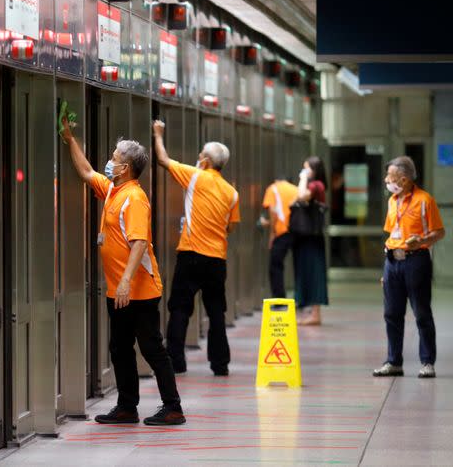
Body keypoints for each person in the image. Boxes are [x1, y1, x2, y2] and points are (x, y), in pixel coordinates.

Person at [60, 115, 184, 426]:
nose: (109, 162)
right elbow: (87, 172)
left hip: (138, 290)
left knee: (151, 348)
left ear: (125, 167)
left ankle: (173, 407)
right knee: (120, 348)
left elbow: (140, 242)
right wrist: (69, 138)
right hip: (118, 290)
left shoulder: (135, 198)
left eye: (114, 159)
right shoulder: (115, 190)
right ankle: (128, 406)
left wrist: (127, 280)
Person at [152, 120, 240, 376]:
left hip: (190, 255)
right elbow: (230, 227)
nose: (198, 157)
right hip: (216, 259)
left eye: (200, 154)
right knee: (216, 311)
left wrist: (158, 134)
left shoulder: (194, 176)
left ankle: (176, 362)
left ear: (205, 160)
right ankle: (220, 364)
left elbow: (163, 159)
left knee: (180, 308)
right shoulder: (231, 192)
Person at [373, 156, 444, 379]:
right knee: (391, 313)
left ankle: (427, 362)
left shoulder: (425, 201)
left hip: (416, 261)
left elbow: (439, 232)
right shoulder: (392, 201)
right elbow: (391, 233)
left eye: (390, 177)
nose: (386, 180)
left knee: (421, 312)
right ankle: (394, 361)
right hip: (392, 261)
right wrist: (385, 269)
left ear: (403, 180)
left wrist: (421, 241)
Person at [294, 156, 329, 326]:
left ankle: (315, 314)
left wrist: (303, 178)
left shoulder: (316, 185)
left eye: (306, 168)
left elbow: (301, 196)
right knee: (307, 272)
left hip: (312, 238)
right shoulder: (316, 186)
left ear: (314, 170)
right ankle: (311, 311)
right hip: (307, 238)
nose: (303, 171)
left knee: (314, 273)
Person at [260, 177, 299, 299]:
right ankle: (301, 298)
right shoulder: (295, 189)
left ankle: (279, 298)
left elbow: (273, 212)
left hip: (282, 232)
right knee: (298, 265)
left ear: (276, 180)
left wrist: (272, 234)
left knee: (275, 265)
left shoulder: (273, 189)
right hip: (297, 230)